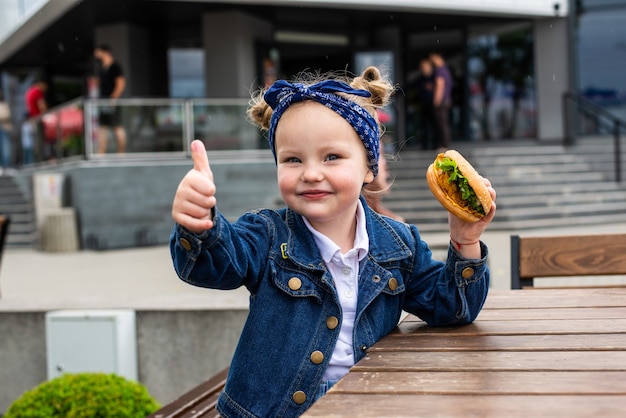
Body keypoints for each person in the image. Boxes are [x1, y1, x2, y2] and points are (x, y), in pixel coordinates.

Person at [170, 66, 496, 417]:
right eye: (293, 159)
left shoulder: (399, 244)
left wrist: (465, 240)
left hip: (365, 405)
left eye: (332, 157)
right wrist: (199, 224)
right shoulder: (265, 234)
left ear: (368, 168)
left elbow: (453, 307)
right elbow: (212, 266)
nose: (311, 173)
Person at [93, 44, 127, 153]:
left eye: (98, 52)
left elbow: (121, 84)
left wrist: (114, 99)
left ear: (105, 52)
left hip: (112, 101)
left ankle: (121, 154)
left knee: (117, 126)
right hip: (102, 101)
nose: (96, 55)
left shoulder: (115, 66)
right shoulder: (102, 68)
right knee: (103, 128)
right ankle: (100, 153)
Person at [429, 52, 453, 150]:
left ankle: (444, 145)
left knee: (441, 124)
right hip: (446, 100)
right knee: (444, 123)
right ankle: (444, 144)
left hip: (442, 101)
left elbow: (440, 85)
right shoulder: (446, 70)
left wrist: (436, 99)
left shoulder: (439, 70)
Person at [24, 79, 50, 160]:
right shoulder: (37, 92)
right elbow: (42, 106)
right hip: (38, 120)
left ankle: (37, 159)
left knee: (35, 142)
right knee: (40, 141)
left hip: (32, 120)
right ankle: (42, 159)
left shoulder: (29, 91)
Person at [415, 57, 436, 150]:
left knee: (434, 126)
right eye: (422, 67)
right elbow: (412, 85)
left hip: (434, 106)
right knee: (424, 126)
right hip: (424, 105)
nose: (423, 69)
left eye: (425, 67)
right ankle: (425, 145)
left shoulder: (435, 77)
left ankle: (435, 145)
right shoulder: (421, 79)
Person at [0, 89, 12, 173]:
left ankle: (6, 166)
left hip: (4, 129)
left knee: (6, 149)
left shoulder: (4, 104)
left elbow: (7, 115)